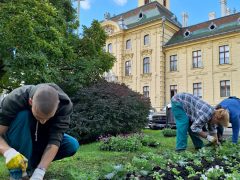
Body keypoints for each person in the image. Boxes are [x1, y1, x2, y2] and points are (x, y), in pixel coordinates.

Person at [0, 83, 79, 180]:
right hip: (18, 136)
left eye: (48, 118)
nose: (43, 121)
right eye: (39, 116)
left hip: (41, 138)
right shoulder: (15, 99)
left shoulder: (64, 106)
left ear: (57, 105)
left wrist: (40, 172)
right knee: (23, 115)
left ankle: (35, 166)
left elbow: (54, 141)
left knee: (71, 144)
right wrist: (9, 152)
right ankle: (19, 173)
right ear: (30, 102)